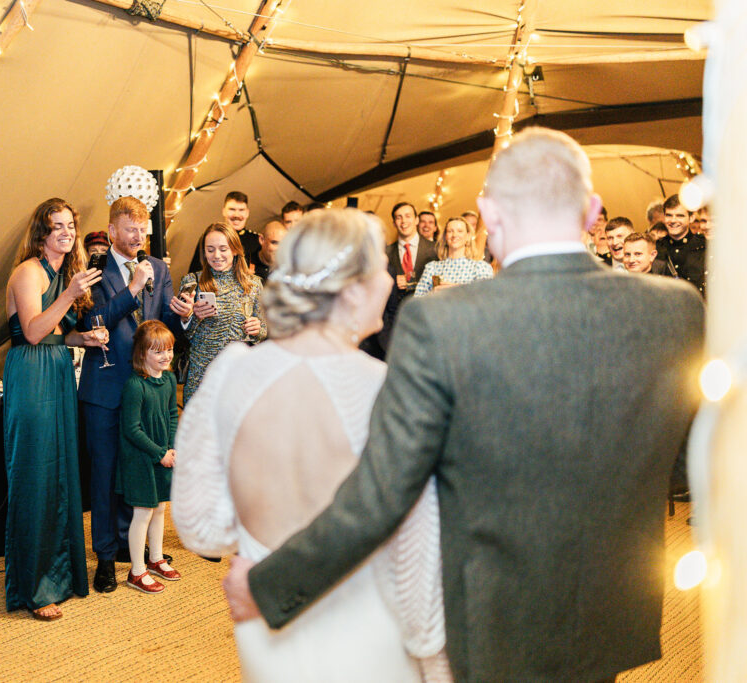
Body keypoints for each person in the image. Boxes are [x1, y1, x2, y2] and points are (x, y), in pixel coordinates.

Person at [222, 128, 705, 682]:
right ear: (592, 211)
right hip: (612, 604)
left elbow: (382, 491)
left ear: (489, 214)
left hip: (493, 614)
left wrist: (269, 584)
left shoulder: (442, 320)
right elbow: (684, 458)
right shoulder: (677, 309)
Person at [173, 209, 448, 681]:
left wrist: (263, 541)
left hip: (264, 620)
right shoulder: (386, 389)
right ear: (355, 288)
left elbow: (201, 528)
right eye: (380, 269)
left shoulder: (233, 372)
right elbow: (418, 552)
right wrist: (434, 660)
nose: (388, 282)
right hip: (365, 624)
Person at [79, 197, 189, 594]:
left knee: (143, 468)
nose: (138, 235)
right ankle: (106, 557)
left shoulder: (159, 267)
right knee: (106, 475)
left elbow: (167, 322)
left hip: (150, 388)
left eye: (142, 229)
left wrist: (185, 313)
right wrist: (132, 288)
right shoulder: (94, 269)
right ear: (112, 232)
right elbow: (90, 320)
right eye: (130, 229)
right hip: (106, 388)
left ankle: (136, 550)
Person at [3, 198, 103, 619]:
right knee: (36, 475)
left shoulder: (61, 273)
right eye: (56, 226)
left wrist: (85, 339)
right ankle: (35, 587)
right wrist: (70, 295)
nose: (65, 232)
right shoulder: (28, 271)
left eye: (70, 226)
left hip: (58, 370)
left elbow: (56, 336)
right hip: (30, 375)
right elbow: (31, 332)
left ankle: (63, 575)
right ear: (41, 233)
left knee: (62, 472)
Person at [118, 321, 180, 594]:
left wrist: (171, 448)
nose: (166, 356)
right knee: (142, 513)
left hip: (163, 455)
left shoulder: (168, 379)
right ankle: (137, 571)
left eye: (168, 350)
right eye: (158, 352)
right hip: (141, 459)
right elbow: (131, 429)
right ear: (142, 354)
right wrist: (158, 453)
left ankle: (156, 558)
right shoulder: (135, 385)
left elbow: (172, 415)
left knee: (160, 509)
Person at [179, 223, 266, 402]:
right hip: (201, 376)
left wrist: (258, 329)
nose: (216, 255)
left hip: (239, 375)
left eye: (223, 249)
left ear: (235, 250)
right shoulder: (191, 282)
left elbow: (264, 330)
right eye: (210, 250)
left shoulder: (254, 284)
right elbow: (182, 336)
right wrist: (192, 317)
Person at [371, 202, 436, 358]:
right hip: (393, 326)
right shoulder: (384, 252)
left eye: (408, 216)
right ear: (394, 223)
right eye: (399, 218)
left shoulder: (435, 249)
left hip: (426, 319)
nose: (403, 221)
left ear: (416, 220)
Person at [414, 216, 493, 297]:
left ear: (468, 236)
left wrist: (459, 290)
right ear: (445, 237)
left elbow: (488, 300)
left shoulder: (480, 268)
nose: (454, 235)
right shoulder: (432, 268)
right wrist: (432, 294)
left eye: (460, 231)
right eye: (450, 231)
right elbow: (416, 302)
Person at [654, 195, 707, 297]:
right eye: (669, 215)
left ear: (691, 218)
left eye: (680, 216)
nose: (673, 220)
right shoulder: (656, 247)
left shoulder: (704, 247)